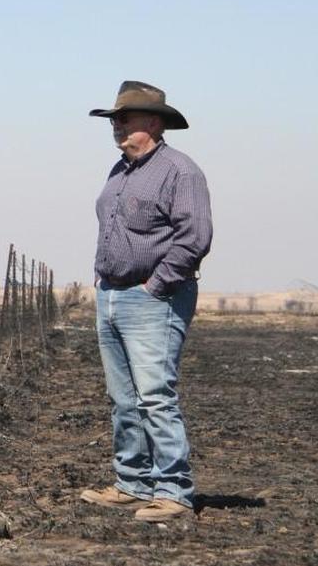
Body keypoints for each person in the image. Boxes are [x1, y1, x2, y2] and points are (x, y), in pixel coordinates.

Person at [79, 81, 213, 522]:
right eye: (114, 119)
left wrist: (155, 286)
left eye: (125, 118)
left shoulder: (181, 171)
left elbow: (194, 238)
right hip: (112, 295)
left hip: (154, 298)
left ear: (153, 123)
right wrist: (104, 280)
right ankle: (132, 484)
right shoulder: (119, 170)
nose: (116, 126)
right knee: (123, 398)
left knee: (155, 396)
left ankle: (174, 493)